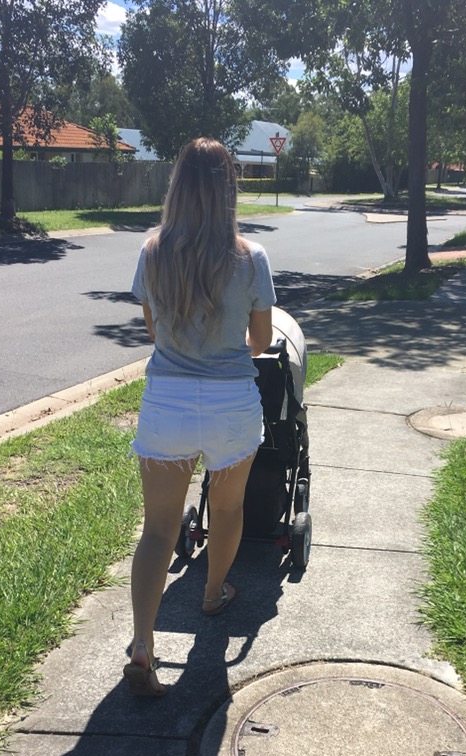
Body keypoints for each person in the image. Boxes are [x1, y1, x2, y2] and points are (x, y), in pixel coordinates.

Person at [123, 137, 276, 697]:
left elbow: (154, 332)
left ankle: (143, 646)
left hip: (166, 401)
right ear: (228, 188)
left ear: (177, 186)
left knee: (158, 529)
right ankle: (212, 594)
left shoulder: (152, 251)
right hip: (231, 401)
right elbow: (260, 339)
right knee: (227, 506)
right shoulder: (249, 257)